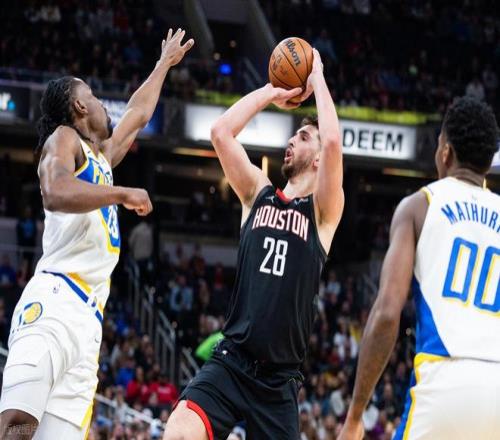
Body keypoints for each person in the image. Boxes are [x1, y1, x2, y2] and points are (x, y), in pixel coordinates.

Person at [0, 28, 194, 440]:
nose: (104, 103)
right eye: (93, 94)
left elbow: (138, 113)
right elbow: (55, 191)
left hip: (89, 323)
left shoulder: (102, 156)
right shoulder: (63, 139)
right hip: (55, 301)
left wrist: (163, 65)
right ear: (78, 105)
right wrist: (121, 193)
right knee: (18, 426)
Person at [164, 49, 344, 439]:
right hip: (232, 360)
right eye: (294, 135)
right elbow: (221, 133)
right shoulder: (257, 194)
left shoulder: (322, 212)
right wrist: (271, 91)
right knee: (178, 431)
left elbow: (332, 142)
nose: (291, 140)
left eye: (303, 137)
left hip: (278, 382)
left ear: (317, 160)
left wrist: (317, 77)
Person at [339, 96, 500, 440]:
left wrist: (355, 414)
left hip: (445, 379)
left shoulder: (419, 206)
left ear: (446, 152)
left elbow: (386, 313)